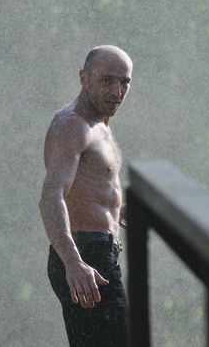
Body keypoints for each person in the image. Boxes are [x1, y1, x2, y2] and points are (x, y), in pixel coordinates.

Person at [39, 45, 133, 347]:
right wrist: (74, 263)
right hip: (85, 257)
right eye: (107, 80)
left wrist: (115, 209)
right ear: (84, 78)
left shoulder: (100, 125)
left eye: (124, 82)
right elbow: (51, 197)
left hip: (97, 253)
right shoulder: (72, 125)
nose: (117, 91)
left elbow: (87, 189)